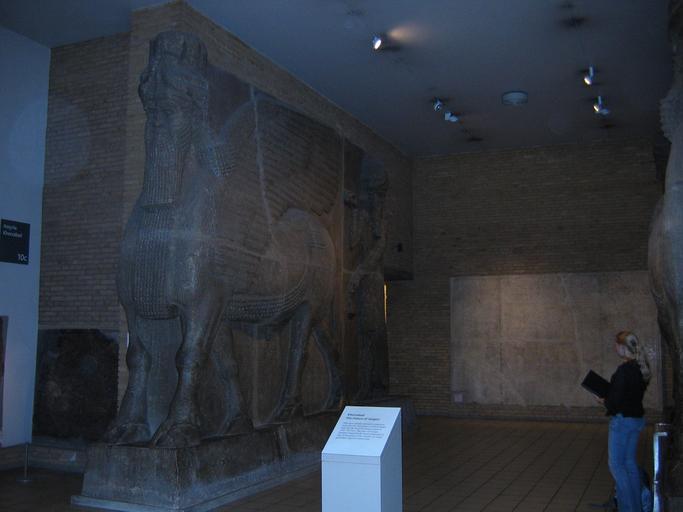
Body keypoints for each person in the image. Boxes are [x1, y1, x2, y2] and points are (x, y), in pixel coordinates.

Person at [600, 331, 651, 512]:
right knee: (629, 464)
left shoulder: (624, 370)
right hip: (636, 420)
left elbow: (615, 402)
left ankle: (628, 508)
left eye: (616, 344)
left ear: (623, 347)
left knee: (616, 466)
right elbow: (629, 395)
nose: (614, 347)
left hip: (622, 422)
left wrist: (603, 400)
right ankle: (636, 507)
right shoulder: (641, 368)